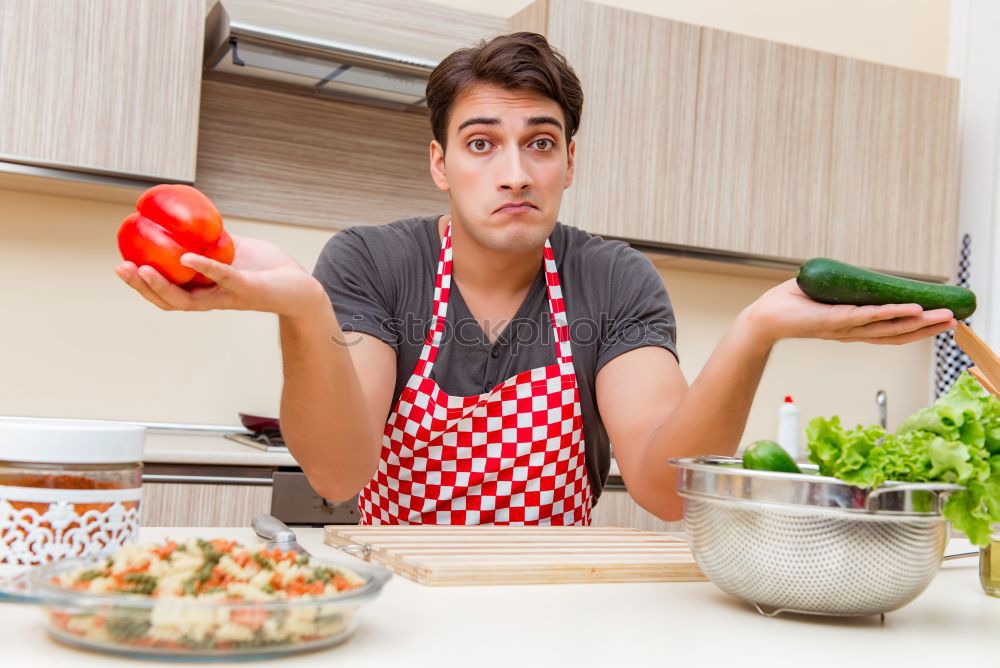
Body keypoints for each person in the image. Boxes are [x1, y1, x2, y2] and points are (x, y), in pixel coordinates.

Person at [115, 32, 956, 525]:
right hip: (396, 602)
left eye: (540, 142)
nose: (515, 171)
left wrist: (754, 331)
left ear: (568, 163)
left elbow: (666, 491)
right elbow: (338, 472)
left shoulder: (614, 279)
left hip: (557, 600)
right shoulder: (374, 263)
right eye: (482, 143)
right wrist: (300, 309)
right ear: (441, 165)